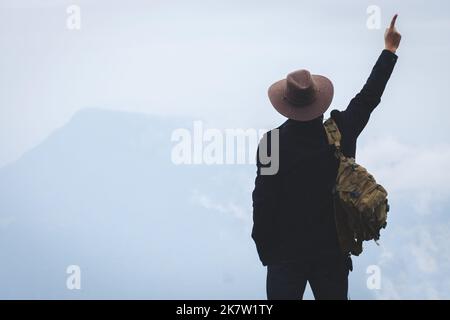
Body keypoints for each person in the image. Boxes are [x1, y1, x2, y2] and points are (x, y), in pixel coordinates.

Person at [251, 14, 401, 300]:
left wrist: (266, 250)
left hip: (285, 256)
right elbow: (369, 97)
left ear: (285, 104)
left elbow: (263, 202)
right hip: (331, 253)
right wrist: (389, 50)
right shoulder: (341, 132)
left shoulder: (271, 144)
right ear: (319, 101)